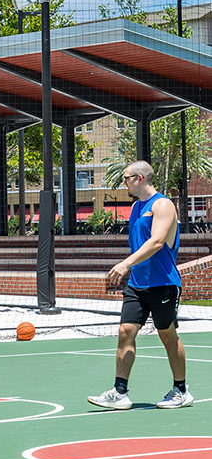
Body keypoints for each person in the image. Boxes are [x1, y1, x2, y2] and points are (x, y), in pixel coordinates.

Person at [87, 161, 193, 410]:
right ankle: (120, 392)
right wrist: (131, 268)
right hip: (138, 284)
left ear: (139, 178)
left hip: (163, 282)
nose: (123, 182)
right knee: (125, 331)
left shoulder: (162, 204)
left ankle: (181, 391)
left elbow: (157, 241)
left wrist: (125, 264)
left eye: (125, 178)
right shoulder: (136, 207)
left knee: (167, 335)